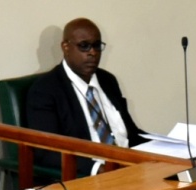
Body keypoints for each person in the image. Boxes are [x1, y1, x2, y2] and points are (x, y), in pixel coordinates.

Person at [26, 17, 144, 175]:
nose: (92, 53)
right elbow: (46, 151)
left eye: (97, 46)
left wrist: (166, 147)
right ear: (65, 47)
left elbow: (131, 133)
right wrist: (98, 169)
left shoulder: (108, 80)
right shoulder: (45, 90)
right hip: (89, 175)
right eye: (84, 46)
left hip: (129, 166)